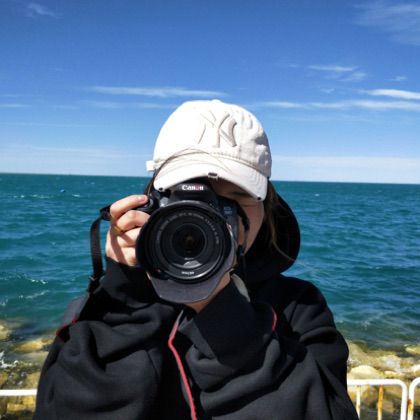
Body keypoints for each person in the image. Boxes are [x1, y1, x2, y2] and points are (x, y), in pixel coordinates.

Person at [34, 100, 359, 419]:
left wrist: (224, 315)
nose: (211, 215)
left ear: (267, 207)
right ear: (152, 202)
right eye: (187, 196)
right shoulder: (107, 307)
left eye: (236, 197)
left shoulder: (298, 308)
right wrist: (126, 297)